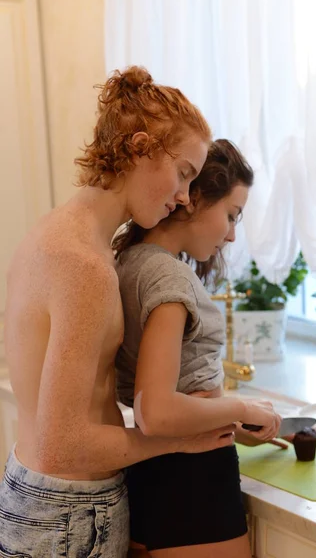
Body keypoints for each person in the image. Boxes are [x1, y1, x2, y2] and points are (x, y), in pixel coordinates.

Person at [0, 67, 237, 558]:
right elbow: (62, 444)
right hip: (70, 512)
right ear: (139, 148)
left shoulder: (50, 235)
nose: (183, 197)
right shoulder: (85, 264)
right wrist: (178, 442)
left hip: (37, 497)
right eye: (184, 173)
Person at [114, 139, 282, 558]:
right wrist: (240, 410)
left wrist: (230, 419)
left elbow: (164, 398)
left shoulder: (129, 261)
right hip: (194, 487)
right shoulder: (169, 279)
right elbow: (158, 410)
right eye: (231, 215)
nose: (230, 235)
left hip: (150, 479)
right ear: (194, 199)